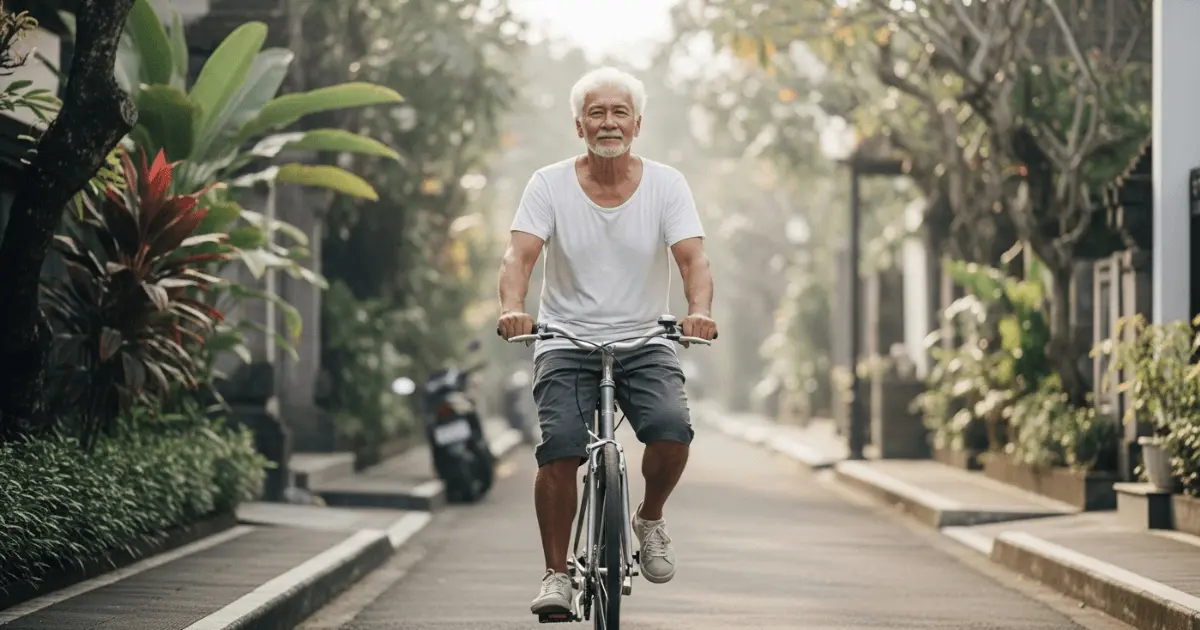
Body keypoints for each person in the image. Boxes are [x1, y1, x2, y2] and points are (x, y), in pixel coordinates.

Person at [495, 66, 718, 616]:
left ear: (638, 124)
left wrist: (699, 313)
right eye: (596, 113)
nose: (609, 123)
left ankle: (650, 518)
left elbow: (693, 259)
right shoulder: (548, 184)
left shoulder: (667, 185)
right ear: (579, 126)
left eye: (620, 112)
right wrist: (513, 308)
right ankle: (556, 574)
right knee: (560, 448)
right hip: (565, 339)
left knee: (672, 430)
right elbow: (519, 256)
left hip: (645, 339)